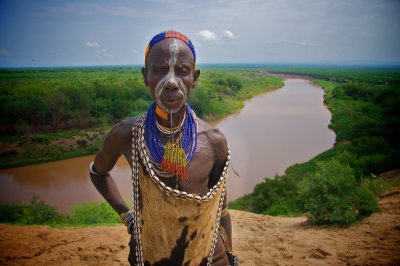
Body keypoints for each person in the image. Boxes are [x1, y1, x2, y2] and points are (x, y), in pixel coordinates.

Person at [90, 31, 237, 266]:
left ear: (195, 77)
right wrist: (127, 217)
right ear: (145, 76)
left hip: (208, 256)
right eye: (160, 70)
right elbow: (98, 173)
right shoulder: (127, 134)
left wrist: (230, 255)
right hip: (148, 254)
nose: (170, 82)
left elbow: (221, 209)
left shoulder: (213, 141)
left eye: (182, 71)